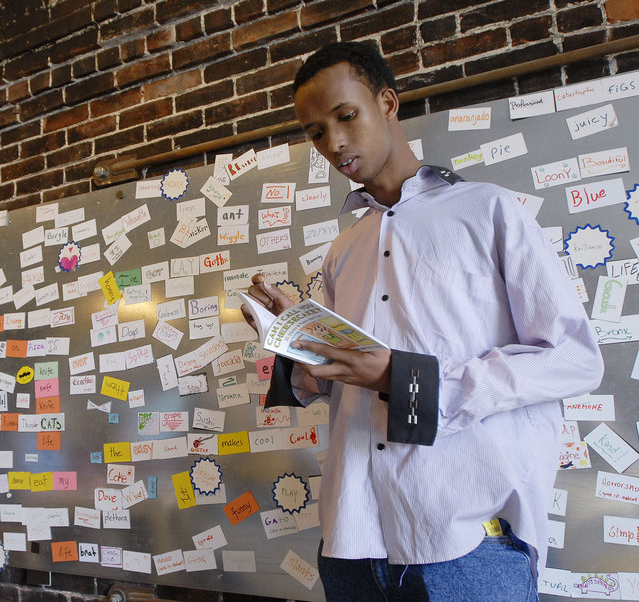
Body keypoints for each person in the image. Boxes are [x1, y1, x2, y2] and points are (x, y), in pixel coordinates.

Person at [242, 41, 603, 601]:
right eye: (315, 132)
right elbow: (343, 378)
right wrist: (297, 341)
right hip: (353, 541)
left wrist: (405, 379)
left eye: (345, 116)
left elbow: (575, 359)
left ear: (387, 103)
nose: (334, 143)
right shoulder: (342, 250)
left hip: (466, 543)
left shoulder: (489, 211)